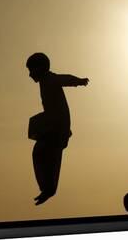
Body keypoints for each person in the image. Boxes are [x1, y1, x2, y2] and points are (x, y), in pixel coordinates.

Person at [26, 52, 89, 205]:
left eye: (31, 70)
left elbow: (64, 78)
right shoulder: (45, 81)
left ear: (40, 68)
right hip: (53, 123)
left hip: (57, 125)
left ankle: (49, 188)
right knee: (40, 151)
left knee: (48, 153)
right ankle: (47, 188)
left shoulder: (49, 78)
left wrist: (78, 81)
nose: (29, 75)